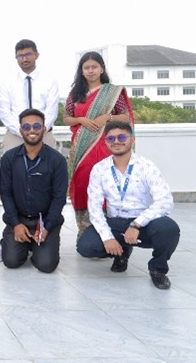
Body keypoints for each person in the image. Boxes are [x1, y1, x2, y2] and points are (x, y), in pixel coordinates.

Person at [77, 121, 180, 290]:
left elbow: (165, 201)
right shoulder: (99, 169)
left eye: (122, 137)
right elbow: (94, 208)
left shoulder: (146, 166)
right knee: (86, 246)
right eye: (111, 138)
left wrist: (136, 224)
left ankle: (158, 269)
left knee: (168, 229)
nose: (116, 141)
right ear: (106, 142)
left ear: (132, 139)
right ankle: (122, 253)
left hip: (143, 223)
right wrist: (107, 238)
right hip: (115, 222)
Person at [63, 51, 133, 236]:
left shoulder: (112, 92)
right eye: (86, 67)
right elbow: (67, 118)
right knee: (82, 182)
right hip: (82, 148)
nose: (91, 70)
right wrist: (81, 120)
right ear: (81, 71)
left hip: (106, 145)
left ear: (102, 68)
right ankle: (86, 232)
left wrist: (107, 117)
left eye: (94, 67)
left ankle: (111, 230)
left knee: (106, 183)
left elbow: (125, 117)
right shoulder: (76, 93)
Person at [0, 109, 67, 273]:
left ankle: (37, 245)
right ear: (21, 130)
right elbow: (5, 193)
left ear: (44, 128)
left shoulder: (57, 160)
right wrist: (15, 224)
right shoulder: (9, 158)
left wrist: (47, 227)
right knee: (11, 261)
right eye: (26, 127)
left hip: (45, 221)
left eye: (36, 126)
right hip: (19, 219)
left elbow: (59, 198)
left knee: (46, 265)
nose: (32, 130)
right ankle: (14, 239)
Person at [0, 39, 59, 152]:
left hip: (44, 136)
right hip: (15, 137)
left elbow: (52, 111)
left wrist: (38, 130)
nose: (24, 59)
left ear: (36, 55)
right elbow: (4, 112)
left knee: (48, 164)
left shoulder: (50, 81)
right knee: (13, 164)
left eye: (28, 54)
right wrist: (23, 130)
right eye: (20, 56)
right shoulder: (7, 83)